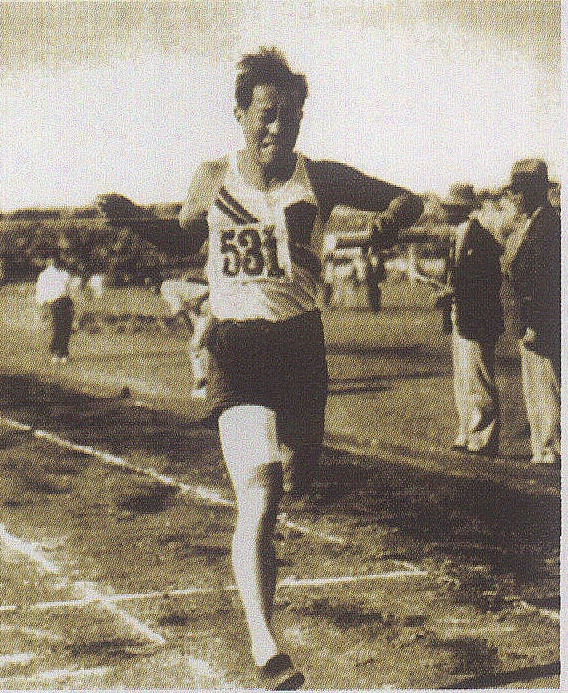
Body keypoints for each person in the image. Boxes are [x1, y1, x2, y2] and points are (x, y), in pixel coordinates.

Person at [176, 47, 423, 688]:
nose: (277, 128)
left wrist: (395, 219)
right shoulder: (211, 178)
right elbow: (179, 239)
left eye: (290, 116)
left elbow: (406, 201)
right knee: (259, 489)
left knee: (295, 473)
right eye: (266, 115)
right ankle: (266, 647)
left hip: (299, 349)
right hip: (236, 347)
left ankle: (298, 459)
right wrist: (134, 225)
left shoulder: (322, 178)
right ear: (240, 115)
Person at [435, 183, 504, 457]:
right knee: (464, 379)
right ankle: (467, 431)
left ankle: (483, 436)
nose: (444, 212)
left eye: (448, 207)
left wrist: (454, 291)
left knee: (478, 379)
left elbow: (488, 282)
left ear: (459, 209)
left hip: (477, 318)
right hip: (462, 316)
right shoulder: (460, 237)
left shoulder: (481, 239)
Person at [501, 159, 560, 465]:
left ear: (533, 192)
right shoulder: (532, 223)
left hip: (539, 320)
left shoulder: (547, 226)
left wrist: (535, 322)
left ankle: (551, 447)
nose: (513, 197)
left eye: (518, 191)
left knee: (545, 385)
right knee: (537, 386)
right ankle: (544, 446)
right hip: (528, 320)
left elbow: (545, 282)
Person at [160, 272, 213, 399]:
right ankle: (206, 383)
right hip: (208, 305)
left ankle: (201, 384)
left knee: (196, 346)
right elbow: (187, 311)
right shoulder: (174, 284)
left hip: (208, 306)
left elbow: (179, 311)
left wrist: (168, 322)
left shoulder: (166, 288)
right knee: (200, 346)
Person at [35, 253, 76, 363]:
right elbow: (41, 290)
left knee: (66, 328)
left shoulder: (65, 274)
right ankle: (55, 352)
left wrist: (72, 304)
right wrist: (42, 305)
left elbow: (70, 290)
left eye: (55, 260)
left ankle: (64, 352)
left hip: (66, 301)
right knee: (58, 327)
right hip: (55, 302)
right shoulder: (45, 275)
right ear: (48, 261)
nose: (53, 262)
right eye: (51, 260)